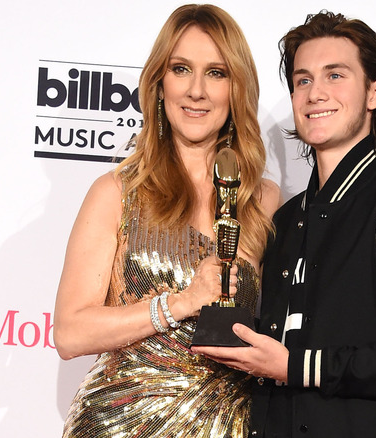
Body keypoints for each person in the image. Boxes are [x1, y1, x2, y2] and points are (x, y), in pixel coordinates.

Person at [193, 11, 376, 437]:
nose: (315, 93)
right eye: (303, 80)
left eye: (335, 76)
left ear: (375, 93)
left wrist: (298, 366)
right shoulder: (284, 218)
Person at [53, 4, 280, 437]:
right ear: (159, 83)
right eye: (181, 69)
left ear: (237, 89)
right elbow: (69, 332)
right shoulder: (117, 192)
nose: (197, 90)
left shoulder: (262, 201)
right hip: (119, 425)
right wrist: (179, 302)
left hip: (227, 426)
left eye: (216, 73)